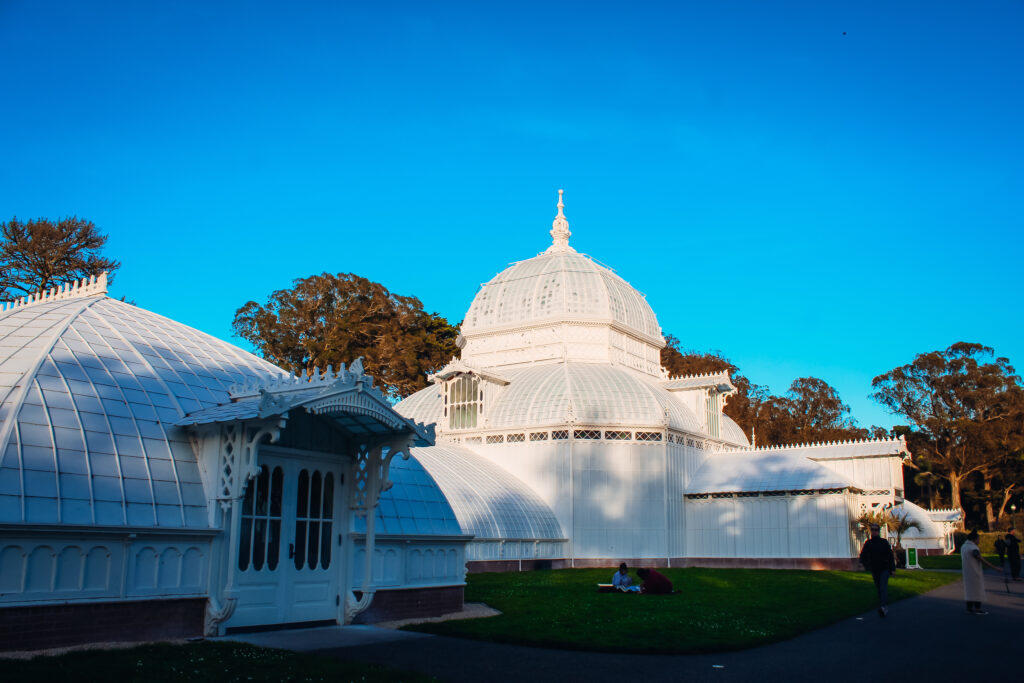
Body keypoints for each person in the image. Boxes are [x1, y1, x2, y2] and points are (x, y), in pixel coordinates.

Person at [859, 523, 896, 617]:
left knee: (883, 587)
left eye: (876, 530)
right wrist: (864, 564)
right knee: (879, 588)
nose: (874, 531)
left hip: (885, 568)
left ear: (878, 531)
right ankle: (883, 604)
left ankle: (883, 607)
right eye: (872, 530)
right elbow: (863, 555)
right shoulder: (868, 543)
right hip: (875, 569)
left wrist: (893, 569)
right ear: (870, 531)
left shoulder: (884, 542)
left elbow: (890, 556)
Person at [961, 530, 1001, 614]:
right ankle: (978, 609)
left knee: (969, 590)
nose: (979, 541)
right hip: (975, 572)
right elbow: (980, 558)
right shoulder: (973, 548)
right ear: (974, 539)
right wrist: (994, 568)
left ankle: (969, 608)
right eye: (978, 539)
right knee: (977, 590)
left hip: (967, 572)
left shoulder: (964, 546)